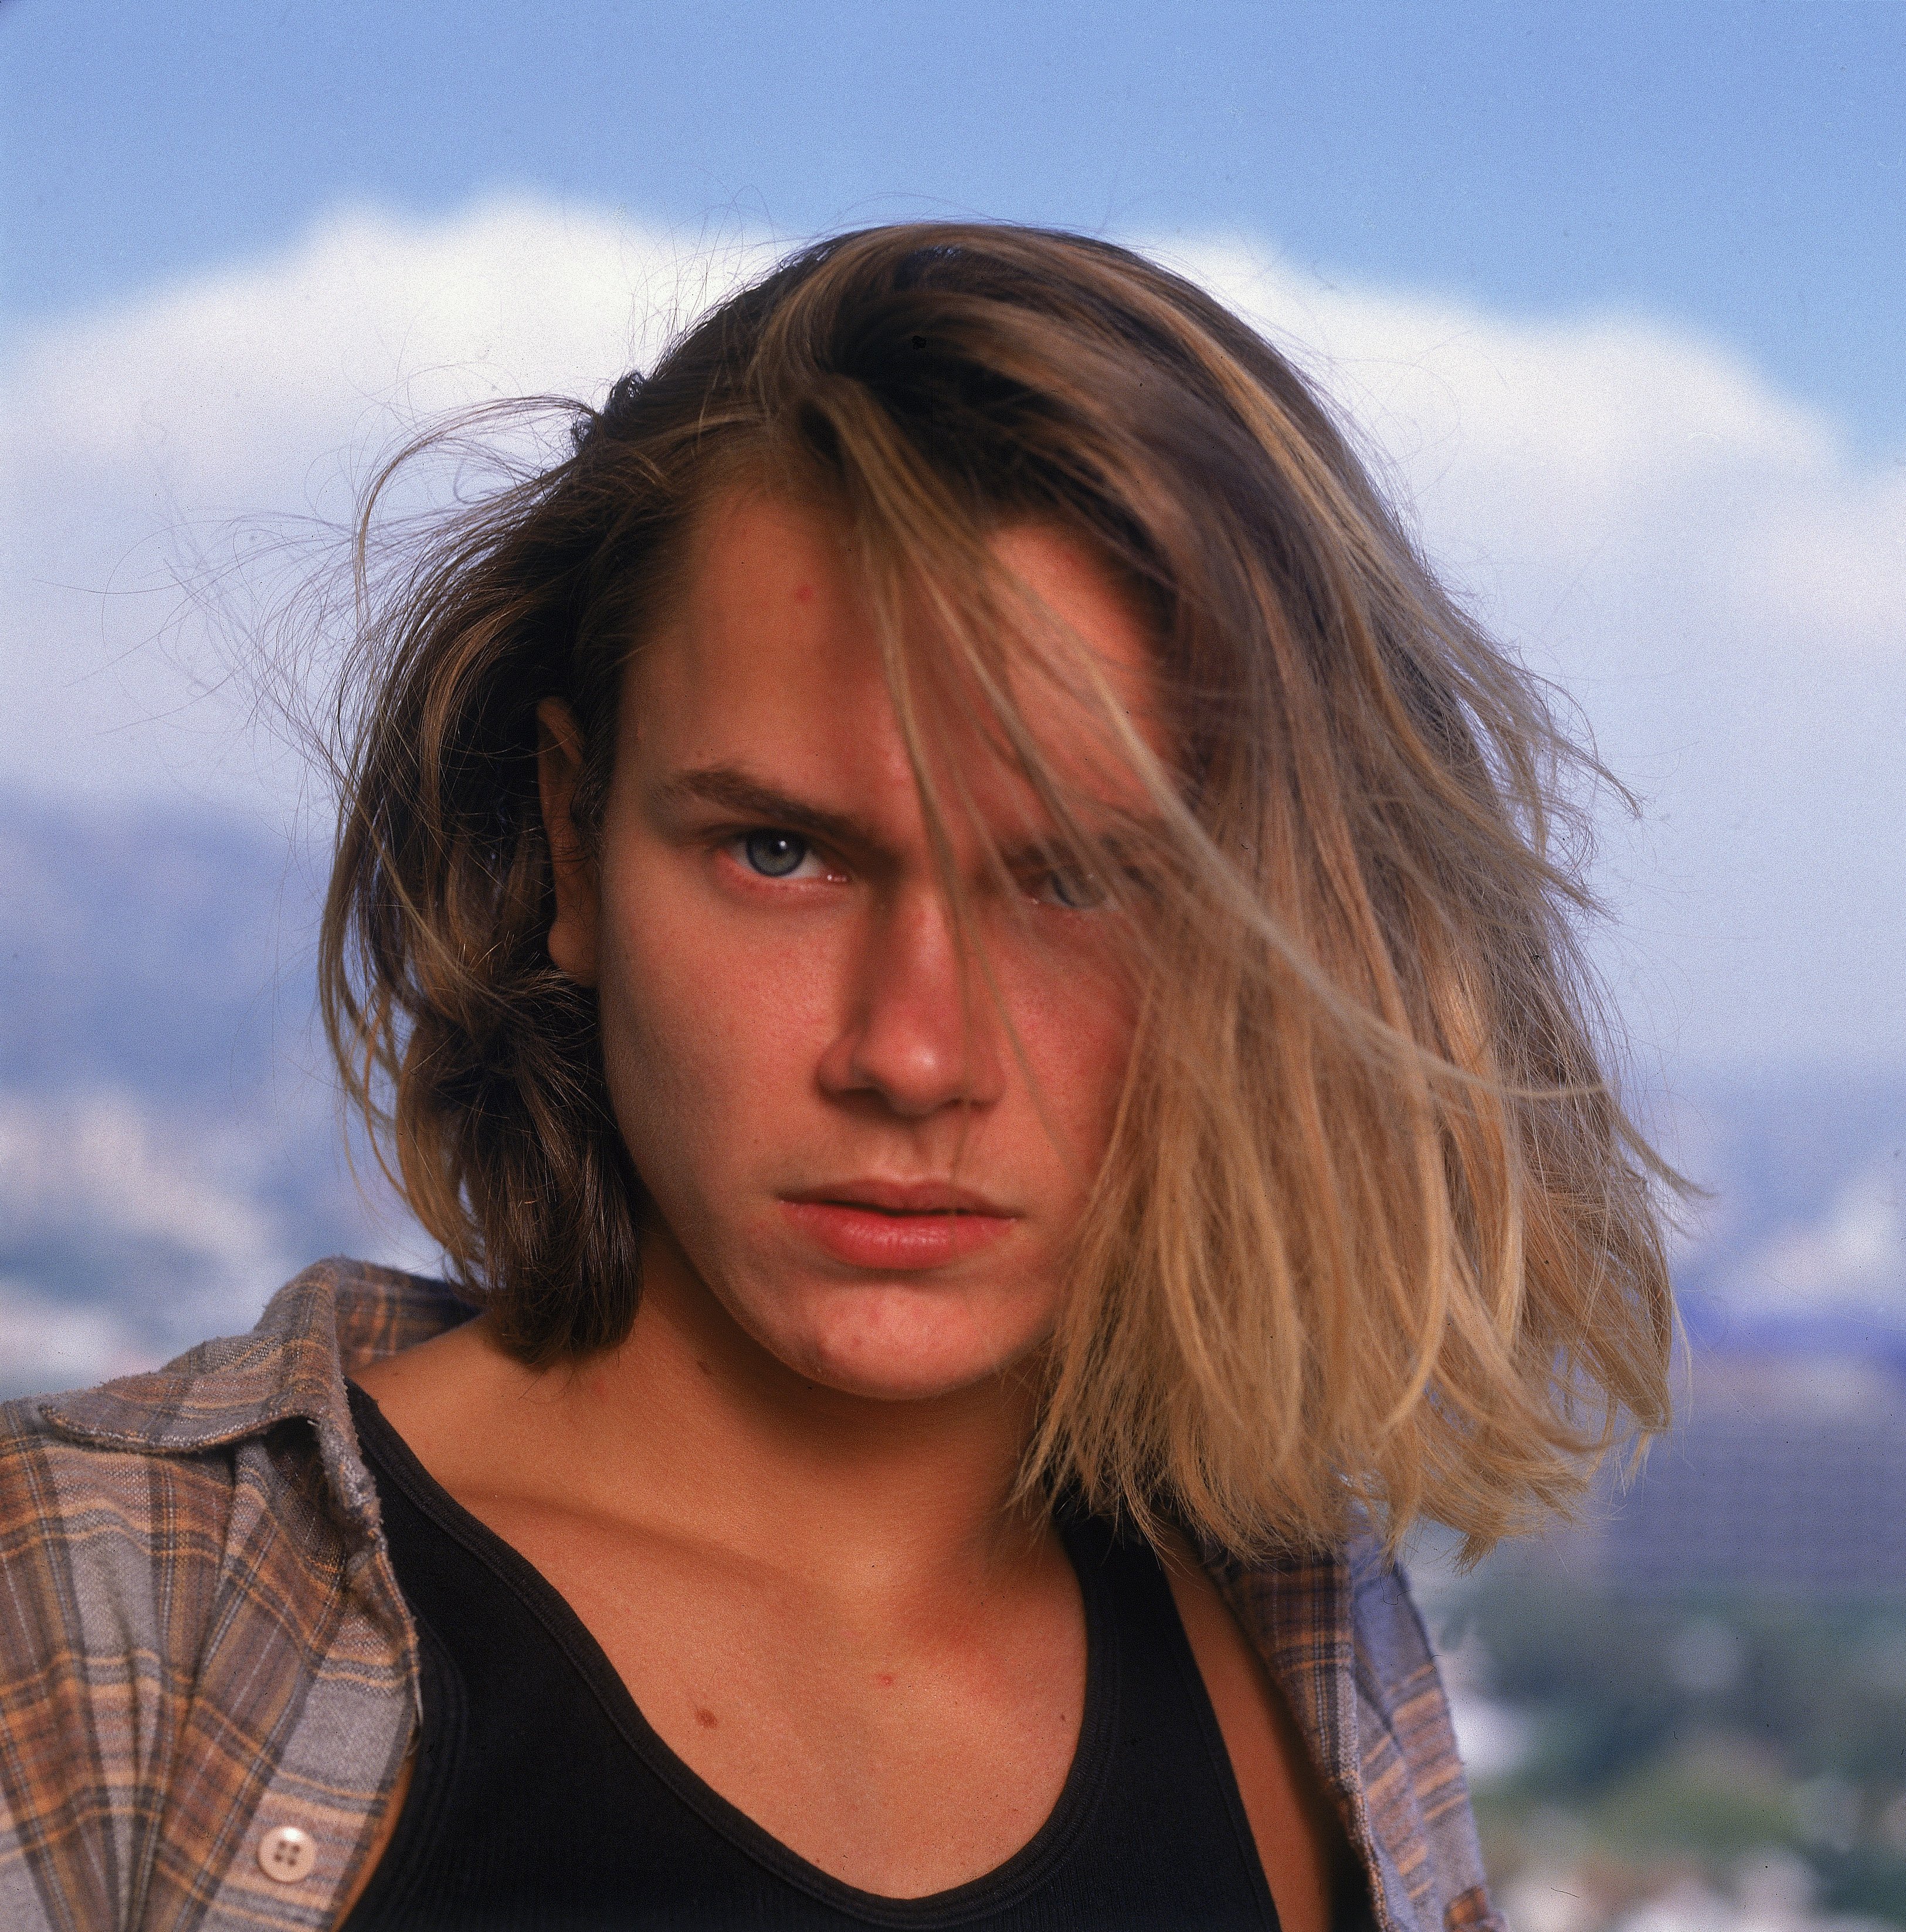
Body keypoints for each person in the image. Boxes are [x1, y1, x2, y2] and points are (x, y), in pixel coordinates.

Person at [0, 223, 1673, 1931]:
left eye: (1082, 880)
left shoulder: (1307, 1643)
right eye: (782, 851)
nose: (911, 1053)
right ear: (572, 845)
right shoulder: (92, 1616)